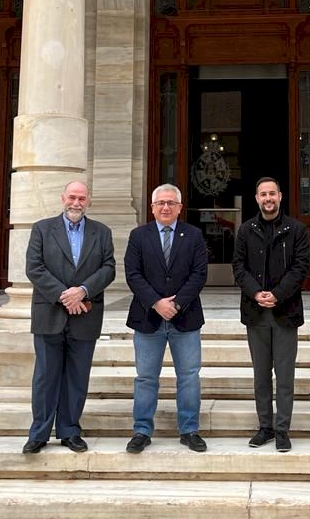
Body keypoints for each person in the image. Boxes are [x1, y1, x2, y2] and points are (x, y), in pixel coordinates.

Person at [23, 181, 116, 454]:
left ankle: (69, 431)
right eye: (72, 197)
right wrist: (65, 295)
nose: (76, 203)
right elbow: (34, 267)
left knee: (77, 377)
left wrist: (83, 291)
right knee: (45, 376)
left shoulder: (102, 232)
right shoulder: (42, 229)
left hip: (85, 314)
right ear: (63, 197)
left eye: (82, 198)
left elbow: (108, 268)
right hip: (49, 312)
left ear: (89, 201)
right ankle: (39, 433)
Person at [124, 183, 209, 453]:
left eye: (171, 202)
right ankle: (142, 431)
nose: (165, 207)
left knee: (189, 377)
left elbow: (199, 274)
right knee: (146, 378)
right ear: (152, 207)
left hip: (185, 318)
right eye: (160, 203)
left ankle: (189, 430)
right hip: (147, 318)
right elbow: (133, 274)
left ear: (180, 207)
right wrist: (156, 303)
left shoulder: (194, 235)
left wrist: (177, 303)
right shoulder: (138, 236)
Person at [231, 177, 310, 452]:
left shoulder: (297, 230)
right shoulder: (245, 230)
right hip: (256, 313)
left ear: (280, 196)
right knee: (261, 375)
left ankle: (282, 430)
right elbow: (238, 266)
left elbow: (300, 267)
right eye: (263, 194)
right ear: (256, 198)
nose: (268, 198)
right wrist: (256, 293)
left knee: (285, 376)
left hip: (285, 312)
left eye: (272, 194)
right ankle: (265, 427)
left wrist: (277, 294)